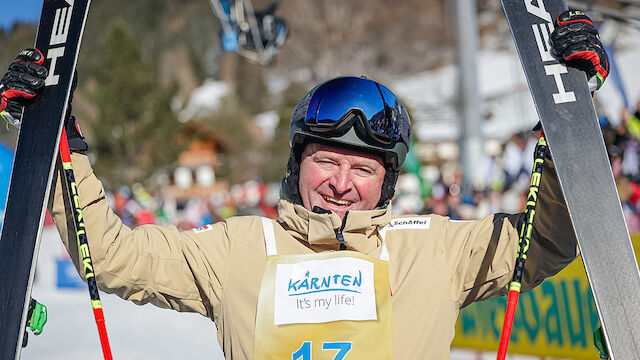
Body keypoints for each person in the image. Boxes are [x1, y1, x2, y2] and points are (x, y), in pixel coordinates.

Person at [0, 11, 609, 360]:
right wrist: (60, 151)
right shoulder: (238, 249)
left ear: (387, 181)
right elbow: (110, 257)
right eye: (327, 160)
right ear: (297, 165)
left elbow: (548, 241)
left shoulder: (433, 250)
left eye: (365, 167)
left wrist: (568, 125)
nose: (342, 183)